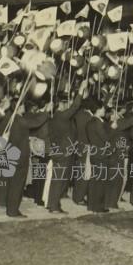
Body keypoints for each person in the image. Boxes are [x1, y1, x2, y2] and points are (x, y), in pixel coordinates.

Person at [46, 81, 87, 213]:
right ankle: (53, 206)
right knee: (58, 181)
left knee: (59, 180)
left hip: (61, 151)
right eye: (66, 103)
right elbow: (75, 106)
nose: (68, 105)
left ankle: (54, 204)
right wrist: (80, 90)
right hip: (63, 153)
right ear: (61, 105)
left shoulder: (55, 118)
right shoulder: (61, 117)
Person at [86, 100, 111, 213]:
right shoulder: (98, 123)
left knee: (94, 180)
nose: (104, 110)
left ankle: (91, 205)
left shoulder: (90, 122)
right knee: (100, 181)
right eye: (103, 108)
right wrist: (112, 128)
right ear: (98, 109)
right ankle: (98, 206)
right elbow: (106, 137)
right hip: (101, 154)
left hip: (94, 153)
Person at [71, 98, 94, 205]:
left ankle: (76, 195)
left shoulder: (78, 114)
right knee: (85, 172)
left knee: (79, 172)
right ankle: (79, 197)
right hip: (86, 146)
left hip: (78, 145)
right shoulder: (89, 117)